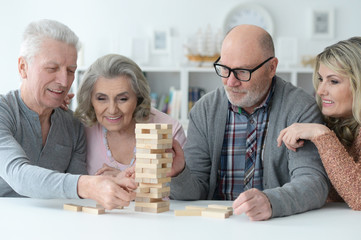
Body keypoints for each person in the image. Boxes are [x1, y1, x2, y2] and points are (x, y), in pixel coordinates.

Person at [169, 24, 329, 221]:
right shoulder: (204, 110)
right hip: (217, 227)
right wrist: (178, 173)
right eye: (224, 69)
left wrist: (271, 201)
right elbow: (195, 193)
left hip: (278, 226)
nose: (230, 82)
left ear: (272, 68)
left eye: (243, 72)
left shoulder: (300, 107)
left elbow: (314, 183)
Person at [0, 19, 136, 209]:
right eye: (52, 69)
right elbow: (18, 174)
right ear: (23, 67)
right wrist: (87, 185)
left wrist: (112, 181)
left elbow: (73, 196)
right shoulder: (4, 112)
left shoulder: (72, 125)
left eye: (71, 70)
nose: (64, 81)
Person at [277, 37, 361, 210]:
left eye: (334, 81)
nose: (321, 91)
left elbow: (358, 196)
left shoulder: (322, 132)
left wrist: (321, 134)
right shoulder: (330, 121)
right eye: (321, 79)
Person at [74, 54, 186, 176]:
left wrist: (125, 180)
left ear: (138, 98)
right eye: (101, 98)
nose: (112, 110)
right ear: (90, 100)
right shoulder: (81, 130)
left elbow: (186, 192)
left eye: (122, 99)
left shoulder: (169, 130)